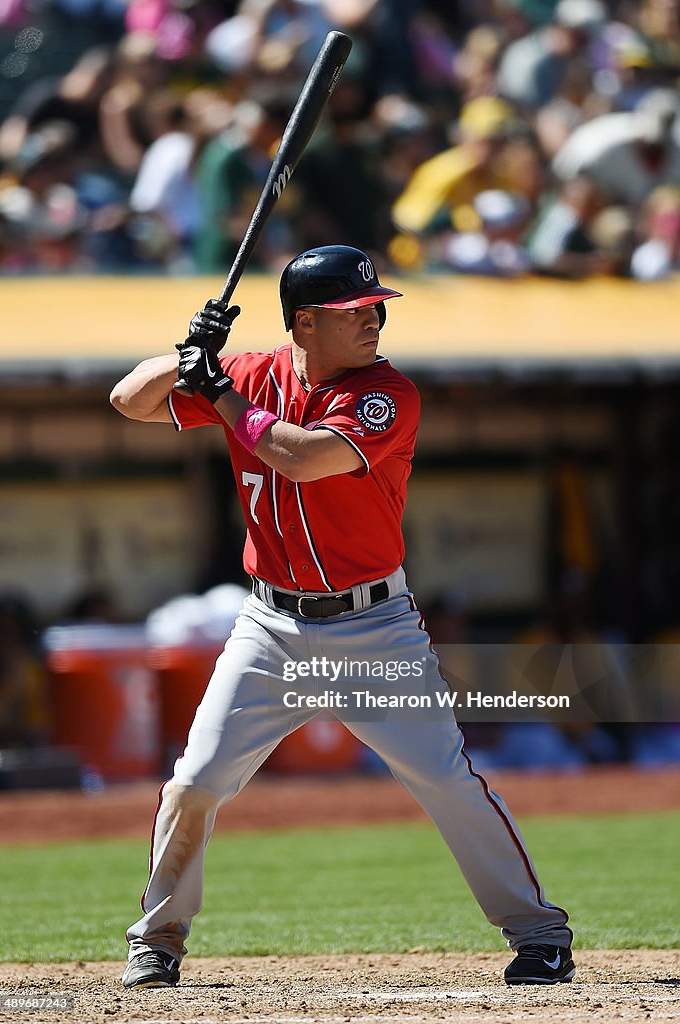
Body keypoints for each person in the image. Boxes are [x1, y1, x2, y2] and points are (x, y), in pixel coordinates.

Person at [109, 244, 574, 990]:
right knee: (195, 781)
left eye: (375, 306)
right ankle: (157, 941)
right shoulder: (254, 371)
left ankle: (540, 935)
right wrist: (187, 353)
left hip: (372, 628)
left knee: (444, 780)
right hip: (267, 629)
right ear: (304, 323)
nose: (374, 319)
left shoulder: (385, 393)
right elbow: (127, 401)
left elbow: (302, 456)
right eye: (354, 311)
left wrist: (221, 392)